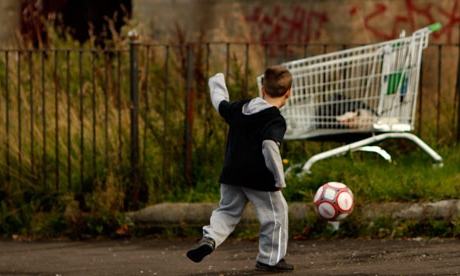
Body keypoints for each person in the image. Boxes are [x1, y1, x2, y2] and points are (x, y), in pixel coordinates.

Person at [186, 66, 294, 272]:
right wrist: (279, 180)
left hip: (232, 174)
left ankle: (209, 239)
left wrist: (217, 81)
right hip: (260, 179)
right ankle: (270, 260)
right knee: (276, 214)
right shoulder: (274, 119)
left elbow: (220, 103)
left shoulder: (241, 108)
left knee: (226, 212)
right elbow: (270, 147)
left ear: (262, 89)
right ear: (288, 93)